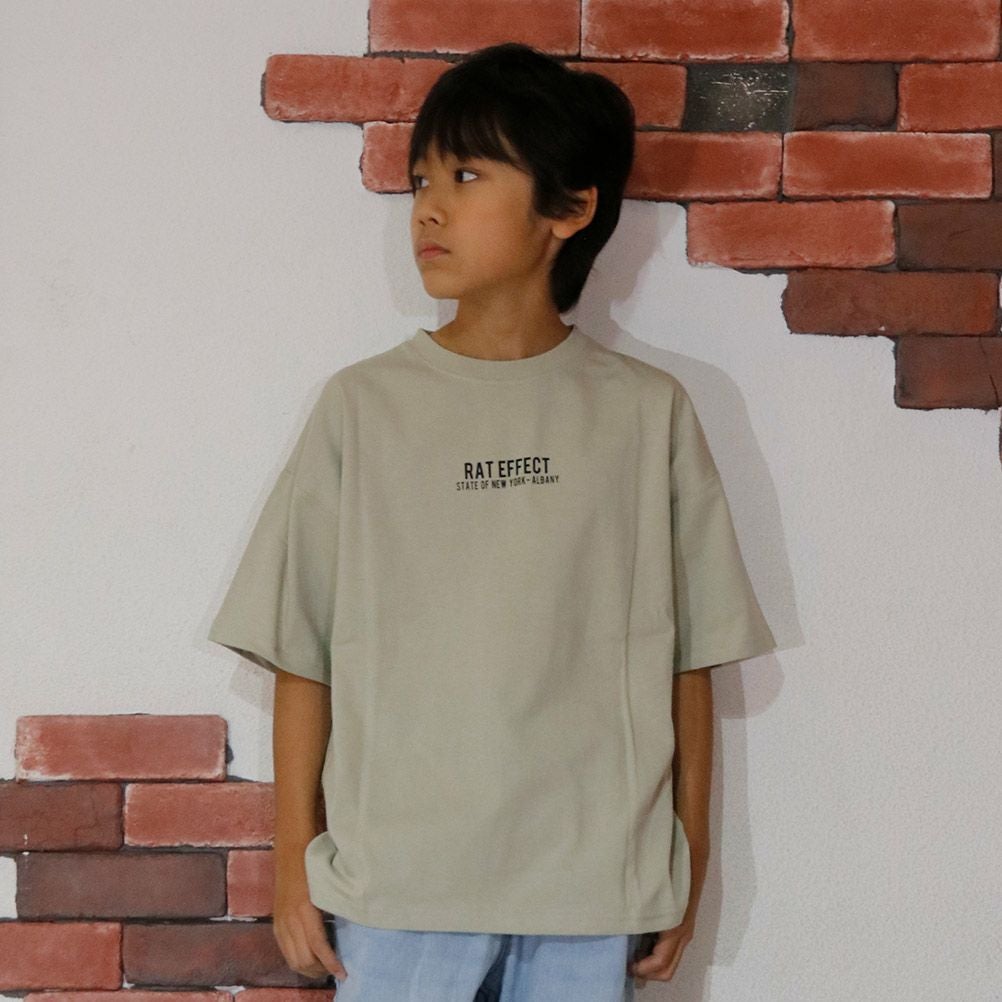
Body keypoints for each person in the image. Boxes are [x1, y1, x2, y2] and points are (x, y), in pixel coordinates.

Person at [207, 41, 776, 1001]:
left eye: (467, 175)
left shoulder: (646, 414)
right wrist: (294, 862)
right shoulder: (363, 409)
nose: (428, 208)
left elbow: (691, 658)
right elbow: (305, 651)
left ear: (570, 208)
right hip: (397, 887)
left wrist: (690, 863)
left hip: (590, 890)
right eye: (421, 180)